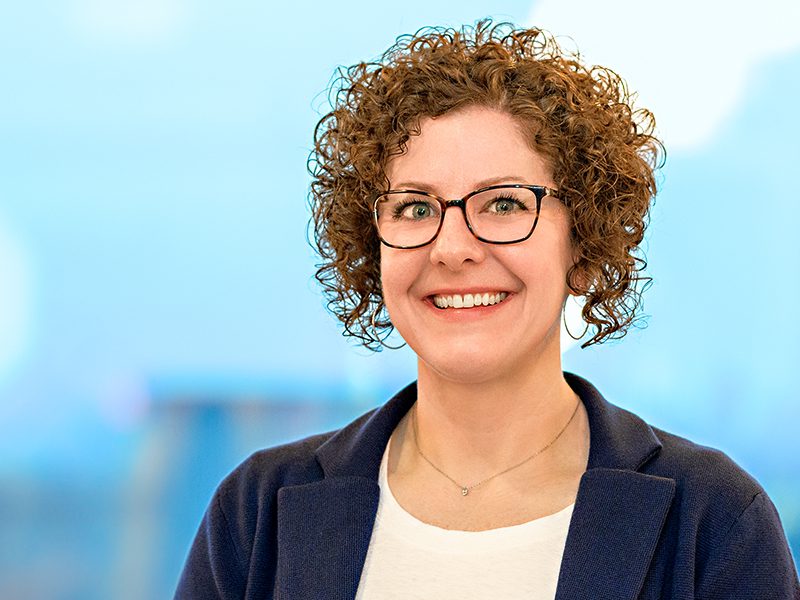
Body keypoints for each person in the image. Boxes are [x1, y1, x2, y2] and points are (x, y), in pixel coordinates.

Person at [175, 22, 800, 599]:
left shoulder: (714, 520)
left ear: (583, 244)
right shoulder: (259, 512)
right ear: (372, 245)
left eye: (502, 204)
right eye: (415, 208)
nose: (452, 249)